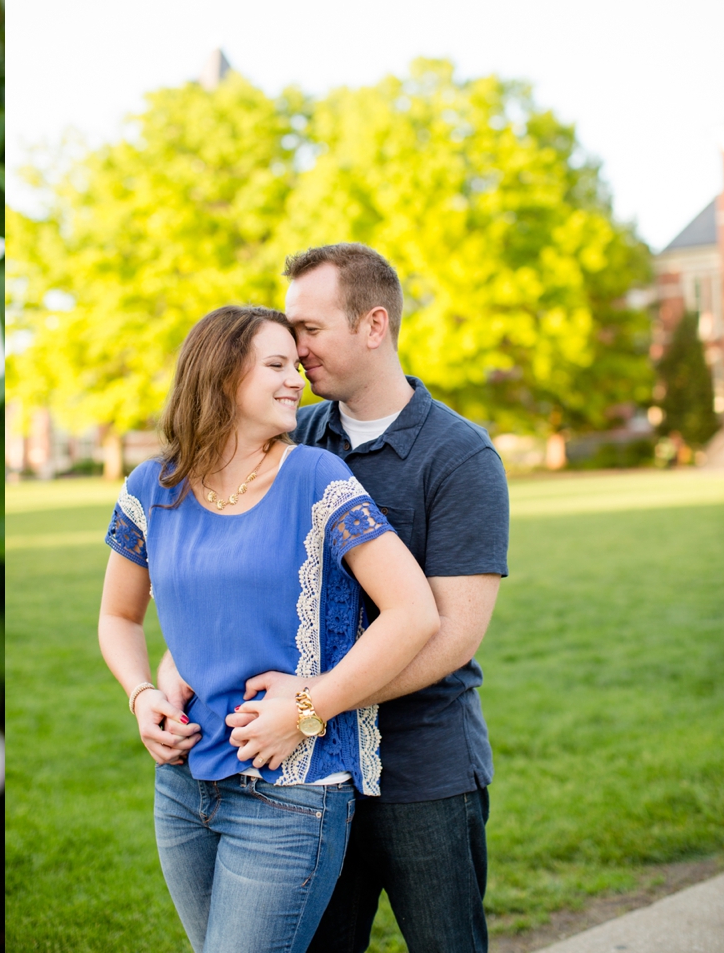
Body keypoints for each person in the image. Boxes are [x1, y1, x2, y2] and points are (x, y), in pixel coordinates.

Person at [159, 245, 510, 953]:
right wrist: (171, 678)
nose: (295, 349)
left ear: (374, 325)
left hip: (422, 773)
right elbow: (234, 579)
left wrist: (313, 704)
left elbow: (452, 636)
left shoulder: (461, 457)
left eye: (309, 330)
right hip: (307, 786)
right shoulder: (291, 440)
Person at [98, 304, 441, 953]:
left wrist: (308, 707)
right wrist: (141, 694)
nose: (298, 380)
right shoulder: (153, 487)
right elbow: (118, 616)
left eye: (297, 365)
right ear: (223, 376)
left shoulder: (316, 478)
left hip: (289, 795)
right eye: (277, 365)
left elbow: (414, 612)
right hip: (181, 788)